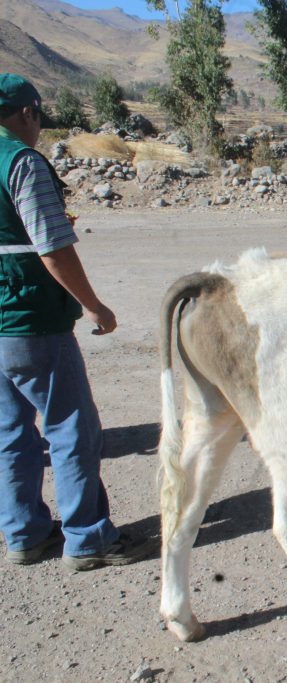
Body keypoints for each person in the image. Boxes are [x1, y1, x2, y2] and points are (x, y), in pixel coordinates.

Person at [0, 73, 154, 569]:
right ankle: (87, 539)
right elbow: (52, 246)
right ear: (27, 113)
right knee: (70, 427)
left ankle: (24, 535)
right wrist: (93, 304)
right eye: (38, 115)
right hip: (32, 321)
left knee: (10, 432)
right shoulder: (21, 163)